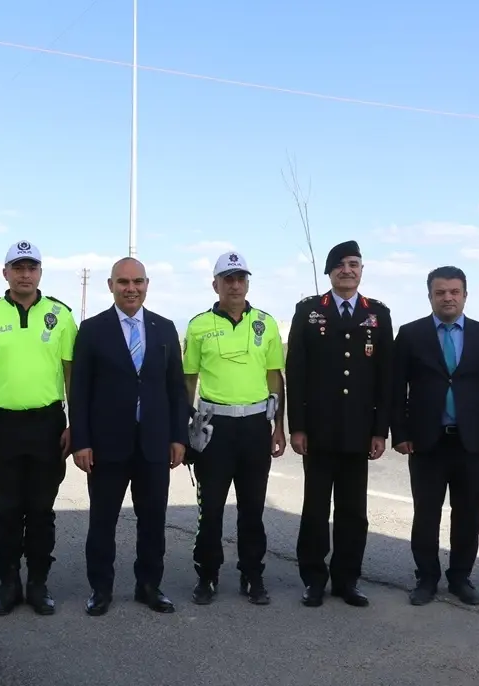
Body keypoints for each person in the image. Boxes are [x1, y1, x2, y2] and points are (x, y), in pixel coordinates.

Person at [69, 257, 188, 616]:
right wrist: (81, 441)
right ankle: (100, 589)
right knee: (102, 522)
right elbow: (80, 391)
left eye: (138, 281)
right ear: (111, 286)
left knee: (153, 521)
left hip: (153, 443)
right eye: (123, 282)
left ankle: (149, 586)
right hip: (107, 446)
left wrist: (178, 436)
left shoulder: (164, 328)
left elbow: (176, 388)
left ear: (147, 284)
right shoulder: (92, 330)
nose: (131, 288)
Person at [391, 266, 479, 607]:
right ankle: (426, 578)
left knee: (468, 515)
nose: (448, 298)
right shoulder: (410, 334)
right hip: (426, 442)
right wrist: (400, 433)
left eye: (454, 292)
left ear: (465, 296)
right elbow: (395, 389)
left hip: (470, 442)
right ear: (430, 296)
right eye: (440, 292)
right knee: (426, 514)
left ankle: (460, 577)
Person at [0, 240, 77, 616]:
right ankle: (8, 584)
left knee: (42, 511)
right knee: (8, 511)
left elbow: (71, 376)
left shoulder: (61, 315)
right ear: (5, 273)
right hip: (1, 427)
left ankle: (38, 584)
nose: (25, 274)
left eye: (31, 268)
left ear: (40, 273)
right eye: (18, 268)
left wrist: (75, 425)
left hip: (47, 426)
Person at [287, 240, 393, 608]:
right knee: (315, 509)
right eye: (340, 265)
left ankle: (347, 580)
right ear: (329, 272)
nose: (347, 270)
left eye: (353, 264)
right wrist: (297, 427)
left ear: (361, 270)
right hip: (318, 430)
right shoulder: (310, 311)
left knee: (353, 512)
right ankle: (314, 579)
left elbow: (385, 376)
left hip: (358, 431)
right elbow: (296, 372)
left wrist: (380, 430)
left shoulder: (377, 314)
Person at [181, 251, 287, 606]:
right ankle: (207, 575)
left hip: (255, 427)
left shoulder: (265, 324)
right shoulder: (198, 325)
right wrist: (184, 429)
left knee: (253, 509)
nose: (235, 285)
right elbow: (189, 379)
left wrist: (278, 426)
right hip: (215, 428)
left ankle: (252, 575)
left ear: (248, 283)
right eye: (228, 279)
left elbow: (275, 377)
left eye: (241, 278)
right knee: (210, 509)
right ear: (216, 285)